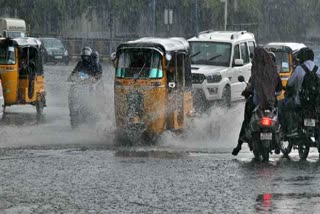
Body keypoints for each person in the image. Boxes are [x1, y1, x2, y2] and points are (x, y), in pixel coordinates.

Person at [232, 48, 282, 156]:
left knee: (246, 120)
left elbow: (251, 87)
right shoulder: (274, 72)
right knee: (279, 117)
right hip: (271, 103)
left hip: (256, 103)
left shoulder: (256, 72)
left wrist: (246, 92)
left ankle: (239, 145)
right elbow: (279, 88)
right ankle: (279, 143)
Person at [279, 47, 320, 134]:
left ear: (302, 58)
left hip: (301, 102)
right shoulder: (318, 69)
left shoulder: (299, 69)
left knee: (282, 105)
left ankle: (288, 130)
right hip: (316, 103)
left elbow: (289, 84)